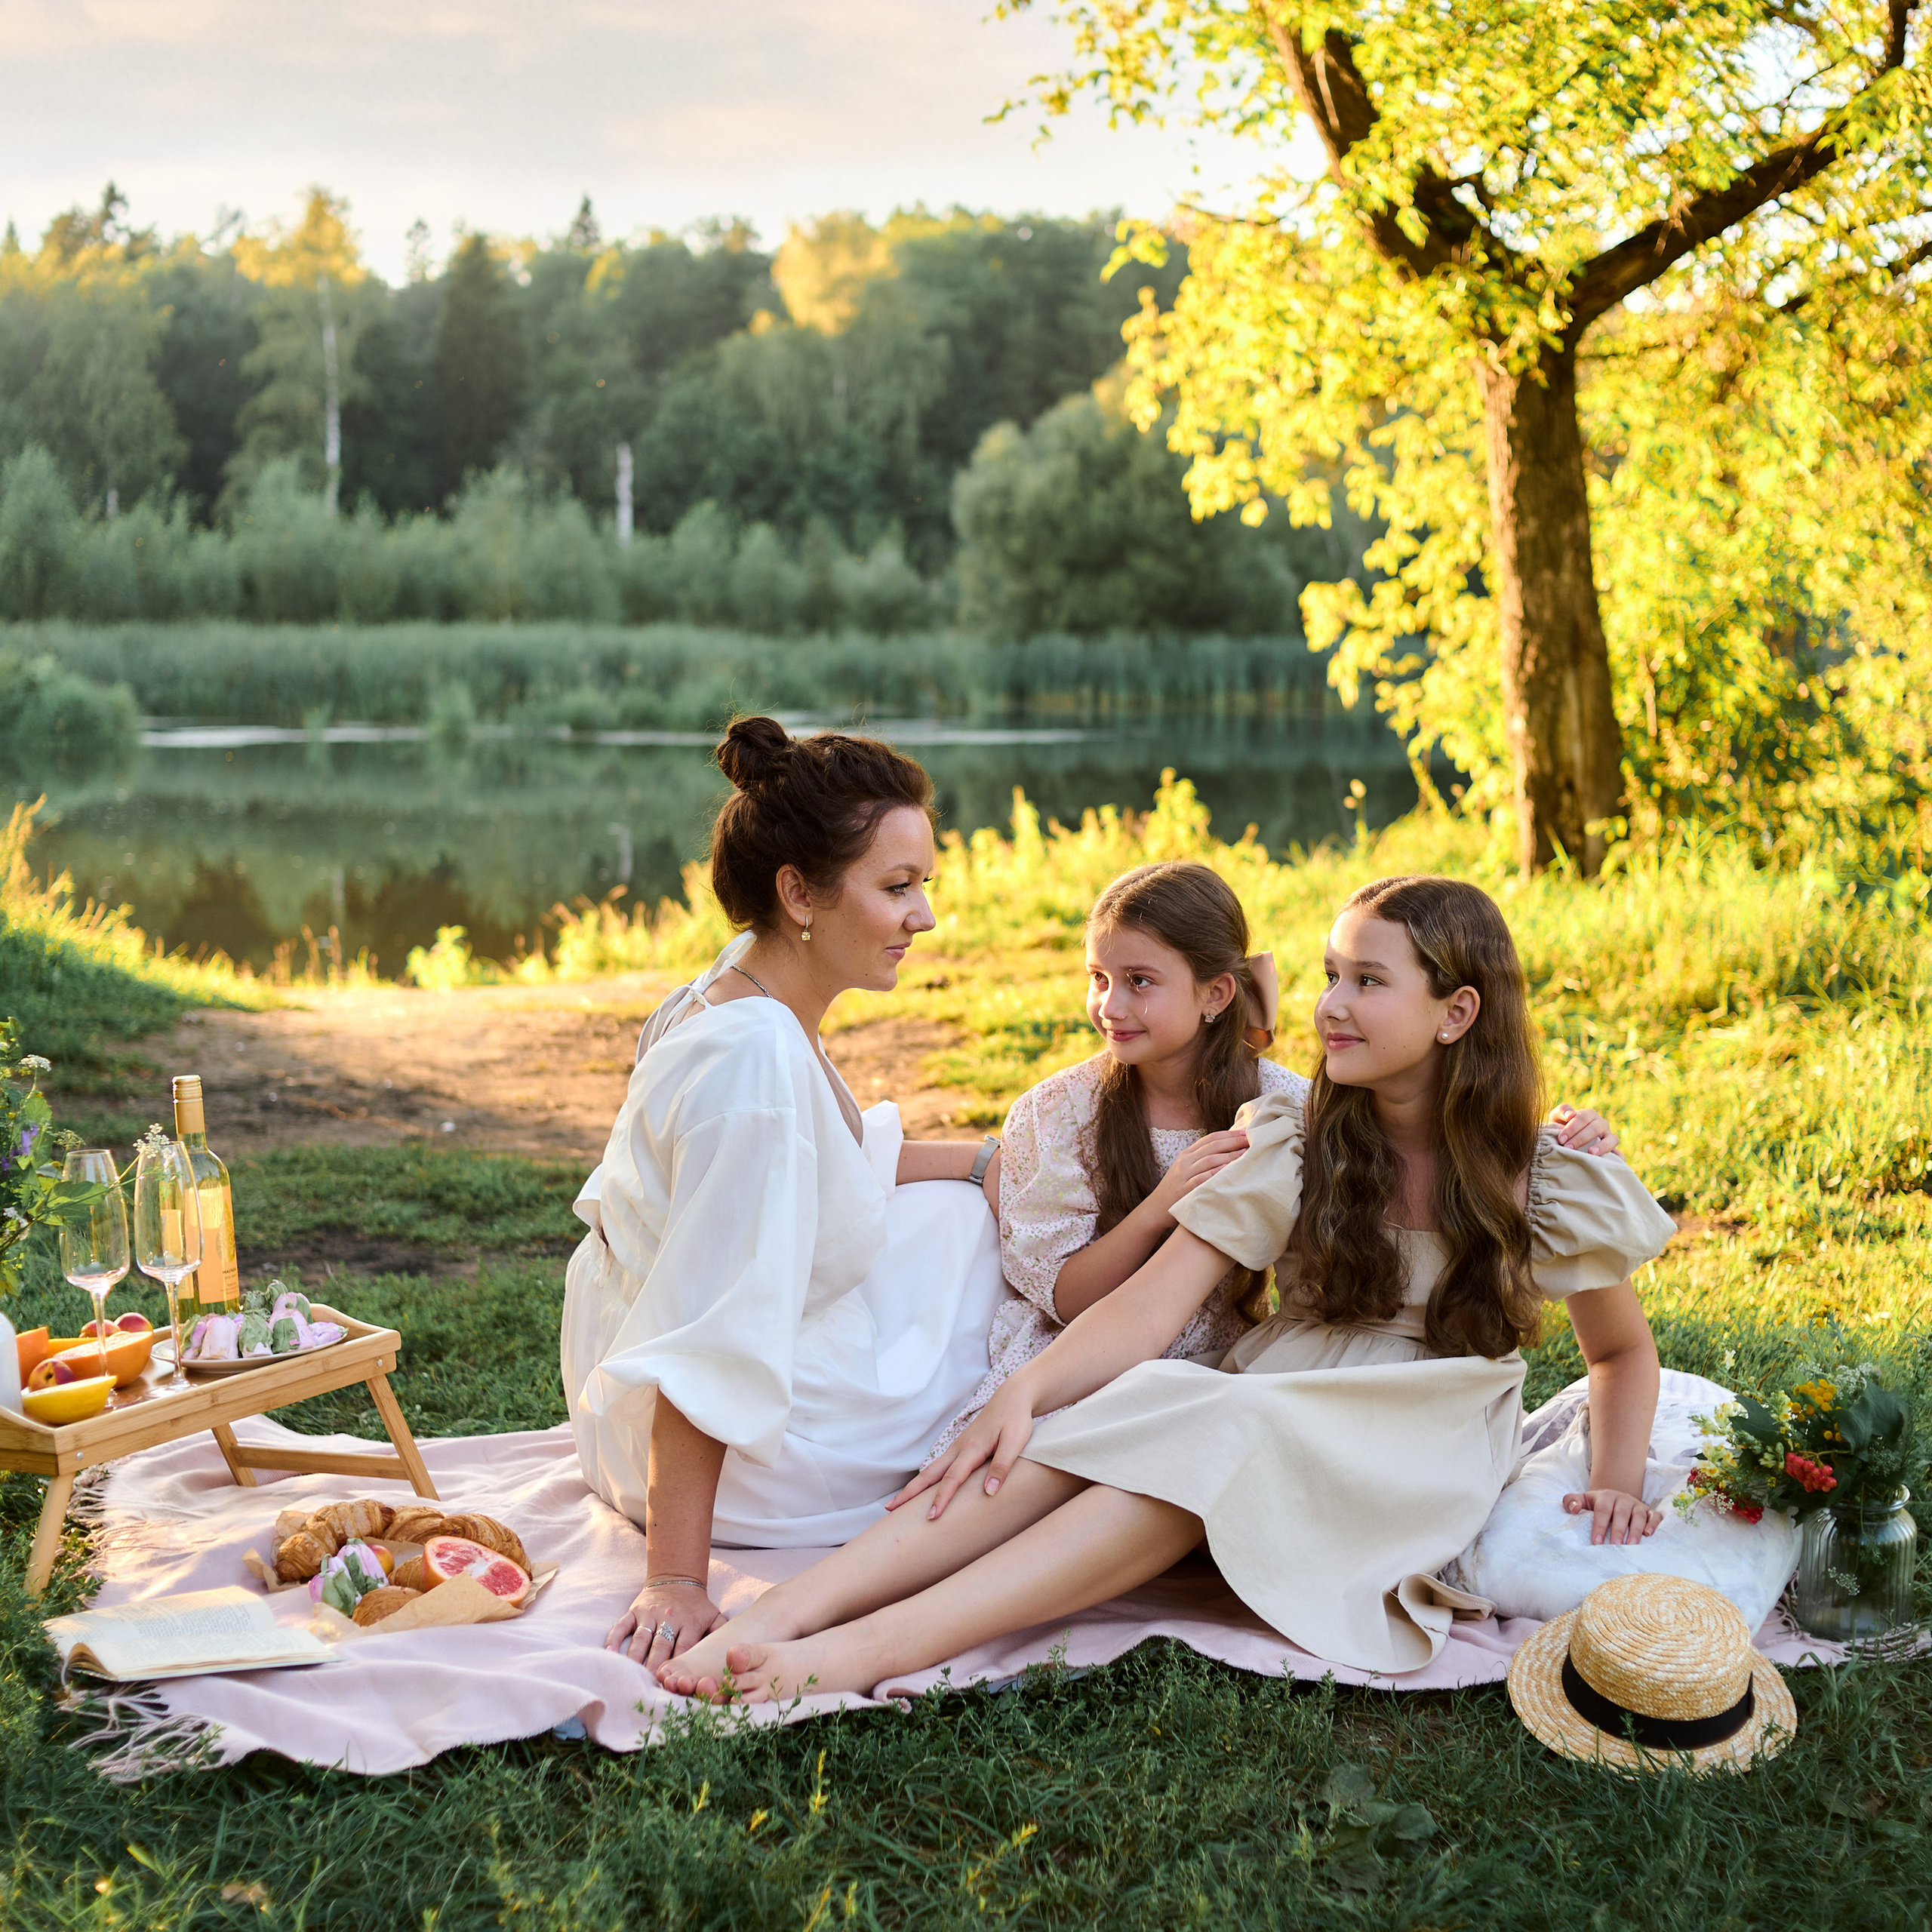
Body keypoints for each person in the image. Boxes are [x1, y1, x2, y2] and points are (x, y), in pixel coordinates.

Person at [656, 874, 1679, 1703]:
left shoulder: (1542, 1175)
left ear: (1457, 1013)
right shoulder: (1294, 1140)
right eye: (1329, 974)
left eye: (1368, 982)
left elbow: (1620, 1352)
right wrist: (1025, 1394)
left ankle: (869, 1649)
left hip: (1416, 1442)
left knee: (1217, 1432)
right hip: (1279, 1394)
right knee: (1124, 1403)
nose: (1328, 1005)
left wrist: (1620, 1481)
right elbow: (1152, 1306)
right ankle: (780, 1616)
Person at [568, 717, 1010, 1671]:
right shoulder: (753, 1063)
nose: (923, 916)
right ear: (799, 892)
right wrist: (678, 1579)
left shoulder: (733, 989)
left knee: (968, 1216)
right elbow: (705, 1328)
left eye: (922, 885)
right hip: (750, 1468)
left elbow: (831, 1158)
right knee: (1012, 1319)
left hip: (627, 1413)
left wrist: (983, 1161)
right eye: (897, 888)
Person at [932, 859, 1622, 1457]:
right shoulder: (1064, 1111)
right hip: (1086, 1346)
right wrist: (1156, 1206)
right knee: (1038, 1465)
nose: (1110, 1004)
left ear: (1216, 995)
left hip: (1215, 1363)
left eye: (1139, 981)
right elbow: (1077, 1301)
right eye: (1098, 978)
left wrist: (1564, 1137)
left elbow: (1441, 1135)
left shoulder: (1284, 1107)